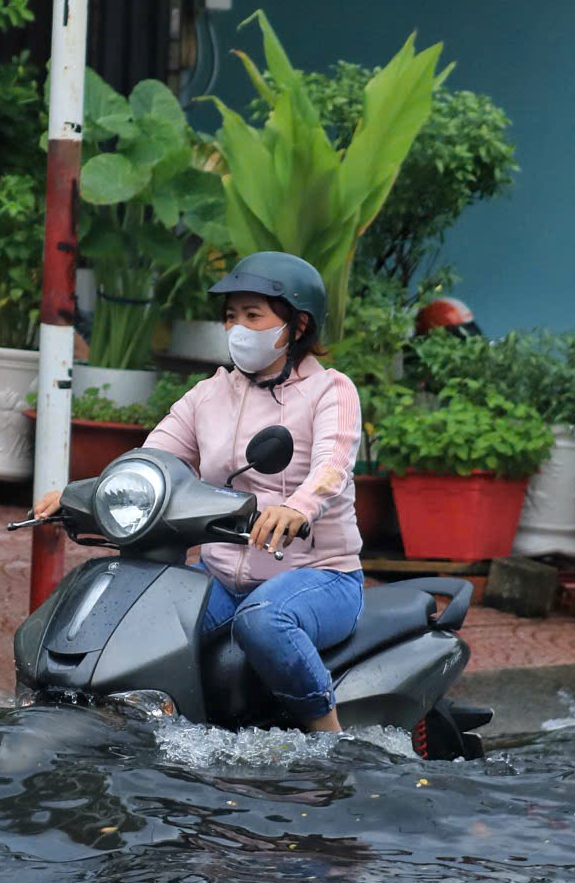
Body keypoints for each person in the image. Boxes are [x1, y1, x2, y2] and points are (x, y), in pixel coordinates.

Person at [32, 251, 363, 733]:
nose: (238, 328)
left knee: (263, 622)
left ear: (298, 324)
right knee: (137, 616)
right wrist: (85, 493)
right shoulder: (211, 394)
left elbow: (333, 465)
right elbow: (152, 460)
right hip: (223, 574)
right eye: (231, 316)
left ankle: (328, 736)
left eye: (254, 315)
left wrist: (296, 507)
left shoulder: (331, 391)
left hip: (321, 574)